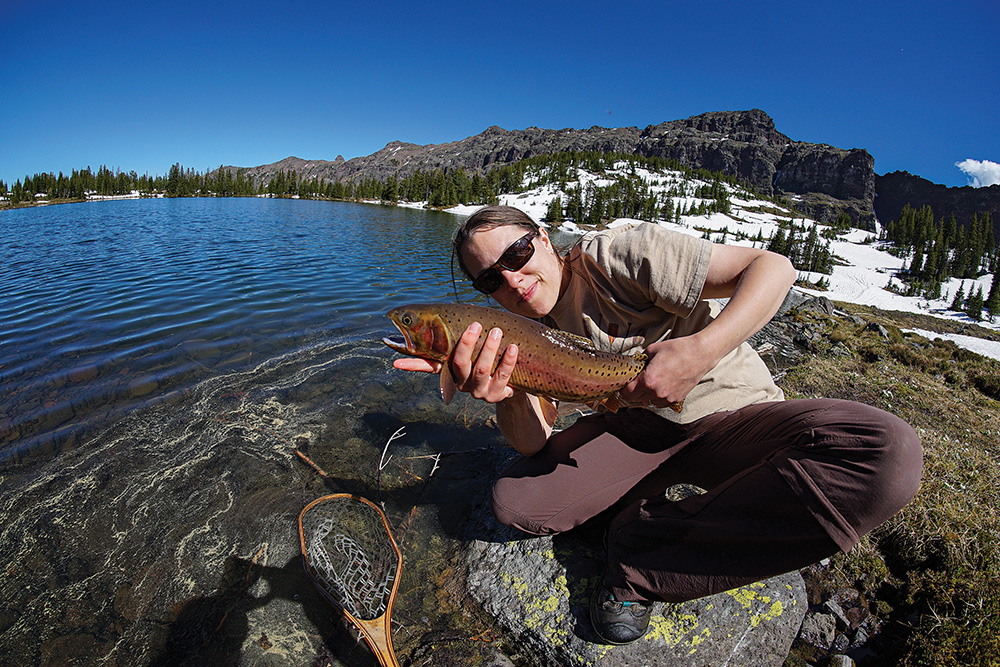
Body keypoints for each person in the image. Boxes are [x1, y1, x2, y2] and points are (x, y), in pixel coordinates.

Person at [393, 205, 922, 645]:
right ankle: (654, 523)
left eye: (517, 254)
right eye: (490, 278)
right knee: (515, 503)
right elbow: (534, 443)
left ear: (546, 240)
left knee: (887, 454)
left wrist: (700, 350)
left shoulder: (617, 256)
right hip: (637, 438)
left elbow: (773, 268)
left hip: (736, 419)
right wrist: (506, 396)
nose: (512, 279)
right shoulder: (512, 333)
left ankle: (641, 558)